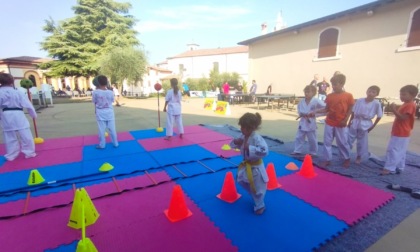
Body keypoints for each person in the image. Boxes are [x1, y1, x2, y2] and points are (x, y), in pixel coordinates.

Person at [311, 73, 354, 168]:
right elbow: (327, 109)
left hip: (341, 123)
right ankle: (327, 159)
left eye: (336, 84)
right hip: (330, 122)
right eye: (333, 84)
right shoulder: (330, 96)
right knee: (327, 141)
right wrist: (315, 111)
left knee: (342, 142)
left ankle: (346, 158)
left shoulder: (348, 96)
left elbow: (351, 108)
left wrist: (346, 119)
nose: (334, 87)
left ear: (342, 84)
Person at [230, 112, 269, 215]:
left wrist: (250, 148)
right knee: (241, 180)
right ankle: (254, 194)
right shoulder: (242, 136)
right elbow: (232, 145)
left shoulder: (257, 138)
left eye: (243, 127)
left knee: (259, 188)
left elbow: (265, 151)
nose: (241, 129)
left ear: (251, 128)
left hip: (256, 167)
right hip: (247, 165)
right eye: (241, 126)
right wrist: (236, 142)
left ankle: (260, 206)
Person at [381, 85, 418, 175]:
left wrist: (394, 109)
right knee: (400, 150)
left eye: (404, 94)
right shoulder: (406, 104)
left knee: (393, 150)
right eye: (400, 94)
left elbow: (402, 118)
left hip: (401, 132)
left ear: (412, 95)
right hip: (401, 131)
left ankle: (389, 168)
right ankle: (399, 166)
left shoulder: (410, 105)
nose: (401, 97)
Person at [0, 73, 37, 161]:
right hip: (18, 113)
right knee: (25, 133)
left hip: (6, 114)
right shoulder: (18, 92)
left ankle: (11, 154)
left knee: (9, 135)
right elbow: (28, 104)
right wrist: (33, 114)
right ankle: (29, 152)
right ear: (12, 81)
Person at [347, 85, 383, 164]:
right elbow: (353, 112)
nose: (370, 93)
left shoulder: (376, 104)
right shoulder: (360, 100)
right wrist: (350, 121)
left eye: (373, 92)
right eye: (369, 91)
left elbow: (379, 116)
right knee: (349, 138)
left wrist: (373, 126)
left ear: (376, 94)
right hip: (355, 121)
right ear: (366, 91)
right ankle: (346, 155)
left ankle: (359, 156)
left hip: (366, 123)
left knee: (361, 141)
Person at [291, 85, 325, 156]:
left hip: (311, 122)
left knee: (312, 139)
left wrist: (315, 113)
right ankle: (297, 150)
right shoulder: (302, 101)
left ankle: (313, 152)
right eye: (305, 92)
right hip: (303, 121)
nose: (306, 93)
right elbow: (299, 109)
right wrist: (301, 113)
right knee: (299, 137)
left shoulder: (316, 100)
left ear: (313, 93)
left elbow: (325, 108)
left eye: (308, 92)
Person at [92, 75, 118, 149]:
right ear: (106, 83)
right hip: (109, 112)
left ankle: (102, 145)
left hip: (100, 112)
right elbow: (112, 101)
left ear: (98, 83)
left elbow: (95, 102)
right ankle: (115, 143)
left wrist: (95, 111)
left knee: (101, 129)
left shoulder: (95, 92)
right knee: (112, 129)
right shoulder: (110, 92)